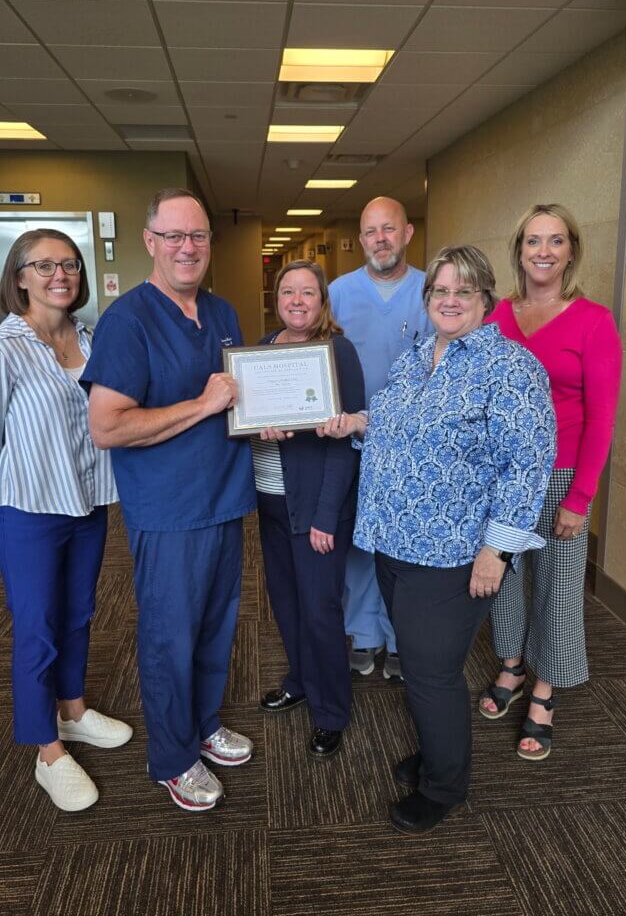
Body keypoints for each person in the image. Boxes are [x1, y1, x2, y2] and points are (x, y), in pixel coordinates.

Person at [320, 245, 555, 833]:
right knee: (422, 663)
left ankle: (445, 786)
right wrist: (356, 424)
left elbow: (527, 467)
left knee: (431, 673)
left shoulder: (511, 367)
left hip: (454, 554)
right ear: (428, 299)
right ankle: (436, 753)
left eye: (463, 291)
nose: (450, 300)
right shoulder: (417, 355)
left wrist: (497, 550)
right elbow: (393, 422)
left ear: (485, 299)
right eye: (440, 290)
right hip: (394, 541)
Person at [83, 188, 257, 814]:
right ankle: (173, 757)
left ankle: (203, 723)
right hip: (169, 510)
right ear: (150, 242)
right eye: (174, 236)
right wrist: (203, 405)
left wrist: (261, 414)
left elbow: (236, 400)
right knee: (170, 636)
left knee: (216, 626)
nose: (188, 247)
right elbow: (107, 426)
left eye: (199, 235)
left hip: (223, 498)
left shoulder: (223, 312)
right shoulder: (128, 321)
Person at [0, 229, 132, 813]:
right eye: (45, 265)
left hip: (87, 501)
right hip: (27, 510)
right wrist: (2, 506)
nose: (61, 275)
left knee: (79, 611)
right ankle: (47, 748)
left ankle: (73, 710)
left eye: (70, 264)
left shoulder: (91, 339)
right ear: (20, 277)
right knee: (37, 626)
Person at [479, 204, 622, 762]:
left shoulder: (593, 321)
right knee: (503, 578)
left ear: (571, 251)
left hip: (562, 475)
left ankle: (545, 688)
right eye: (533, 240)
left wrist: (580, 497)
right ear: (518, 250)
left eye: (555, 241)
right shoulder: (495, 315)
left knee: (558, 586)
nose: (543, 251)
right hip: (502, 476)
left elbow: (602, 417)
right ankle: (512, 665)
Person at [255, 261, 364, 758]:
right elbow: (244, 421)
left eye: (307, 293)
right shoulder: (261, 350)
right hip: (272, 502)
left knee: (320, 612)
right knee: (286, 602)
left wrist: (326, 515)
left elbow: (345, 442)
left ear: (322, 302)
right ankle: (300, 681)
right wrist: (254, 426)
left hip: (317, 508)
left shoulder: (337, 351)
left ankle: (331, 711)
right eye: (287, 291)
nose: (297, 301)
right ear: (276, 298)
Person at [328, 197, 431, 681]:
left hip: (411, 445)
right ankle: (363, 633)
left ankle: (398, 639)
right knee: (357, 543)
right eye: (370, 232)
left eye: (389, 229)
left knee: (403, 546)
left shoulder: (431, 291)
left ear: (407, 233)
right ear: (361, 239)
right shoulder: (338, 293)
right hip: (350, 440)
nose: (380, 240)